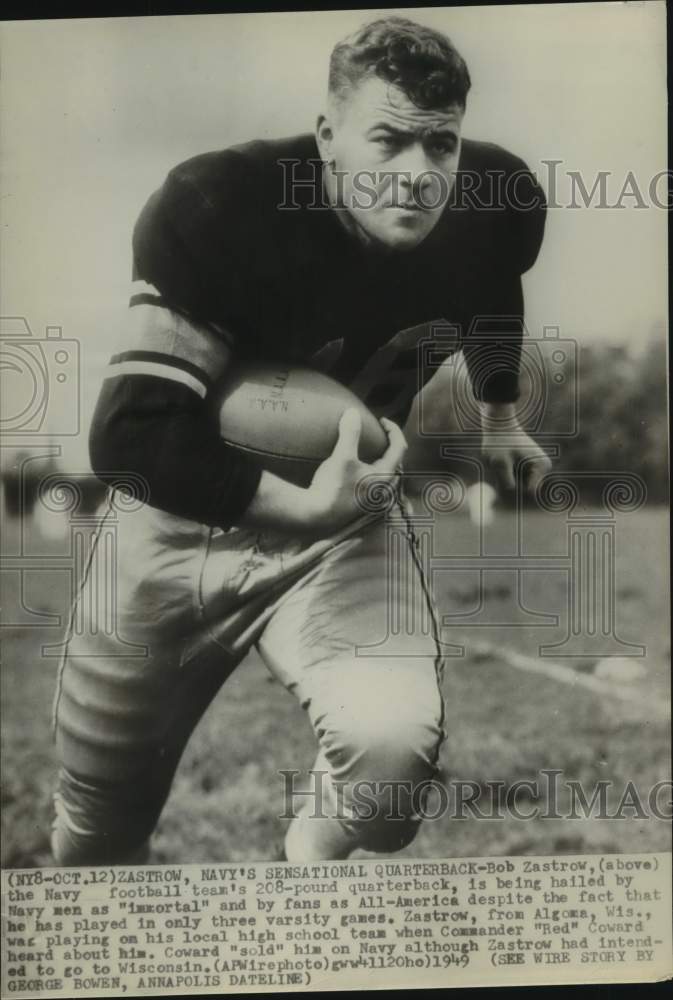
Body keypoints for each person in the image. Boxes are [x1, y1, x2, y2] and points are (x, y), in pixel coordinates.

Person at [51, 15, 550, 865]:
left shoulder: (490, 207)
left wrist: (500, 417)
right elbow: (130, 432)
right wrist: (295, 501)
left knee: (390, 772)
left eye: (441, 147)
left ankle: (307, 860)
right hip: (177, 526)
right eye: (387, 141)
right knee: (96, 835)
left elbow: (493, 294)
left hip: (343, 525)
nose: (417, 175)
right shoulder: (221, 206)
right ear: (326, 134)